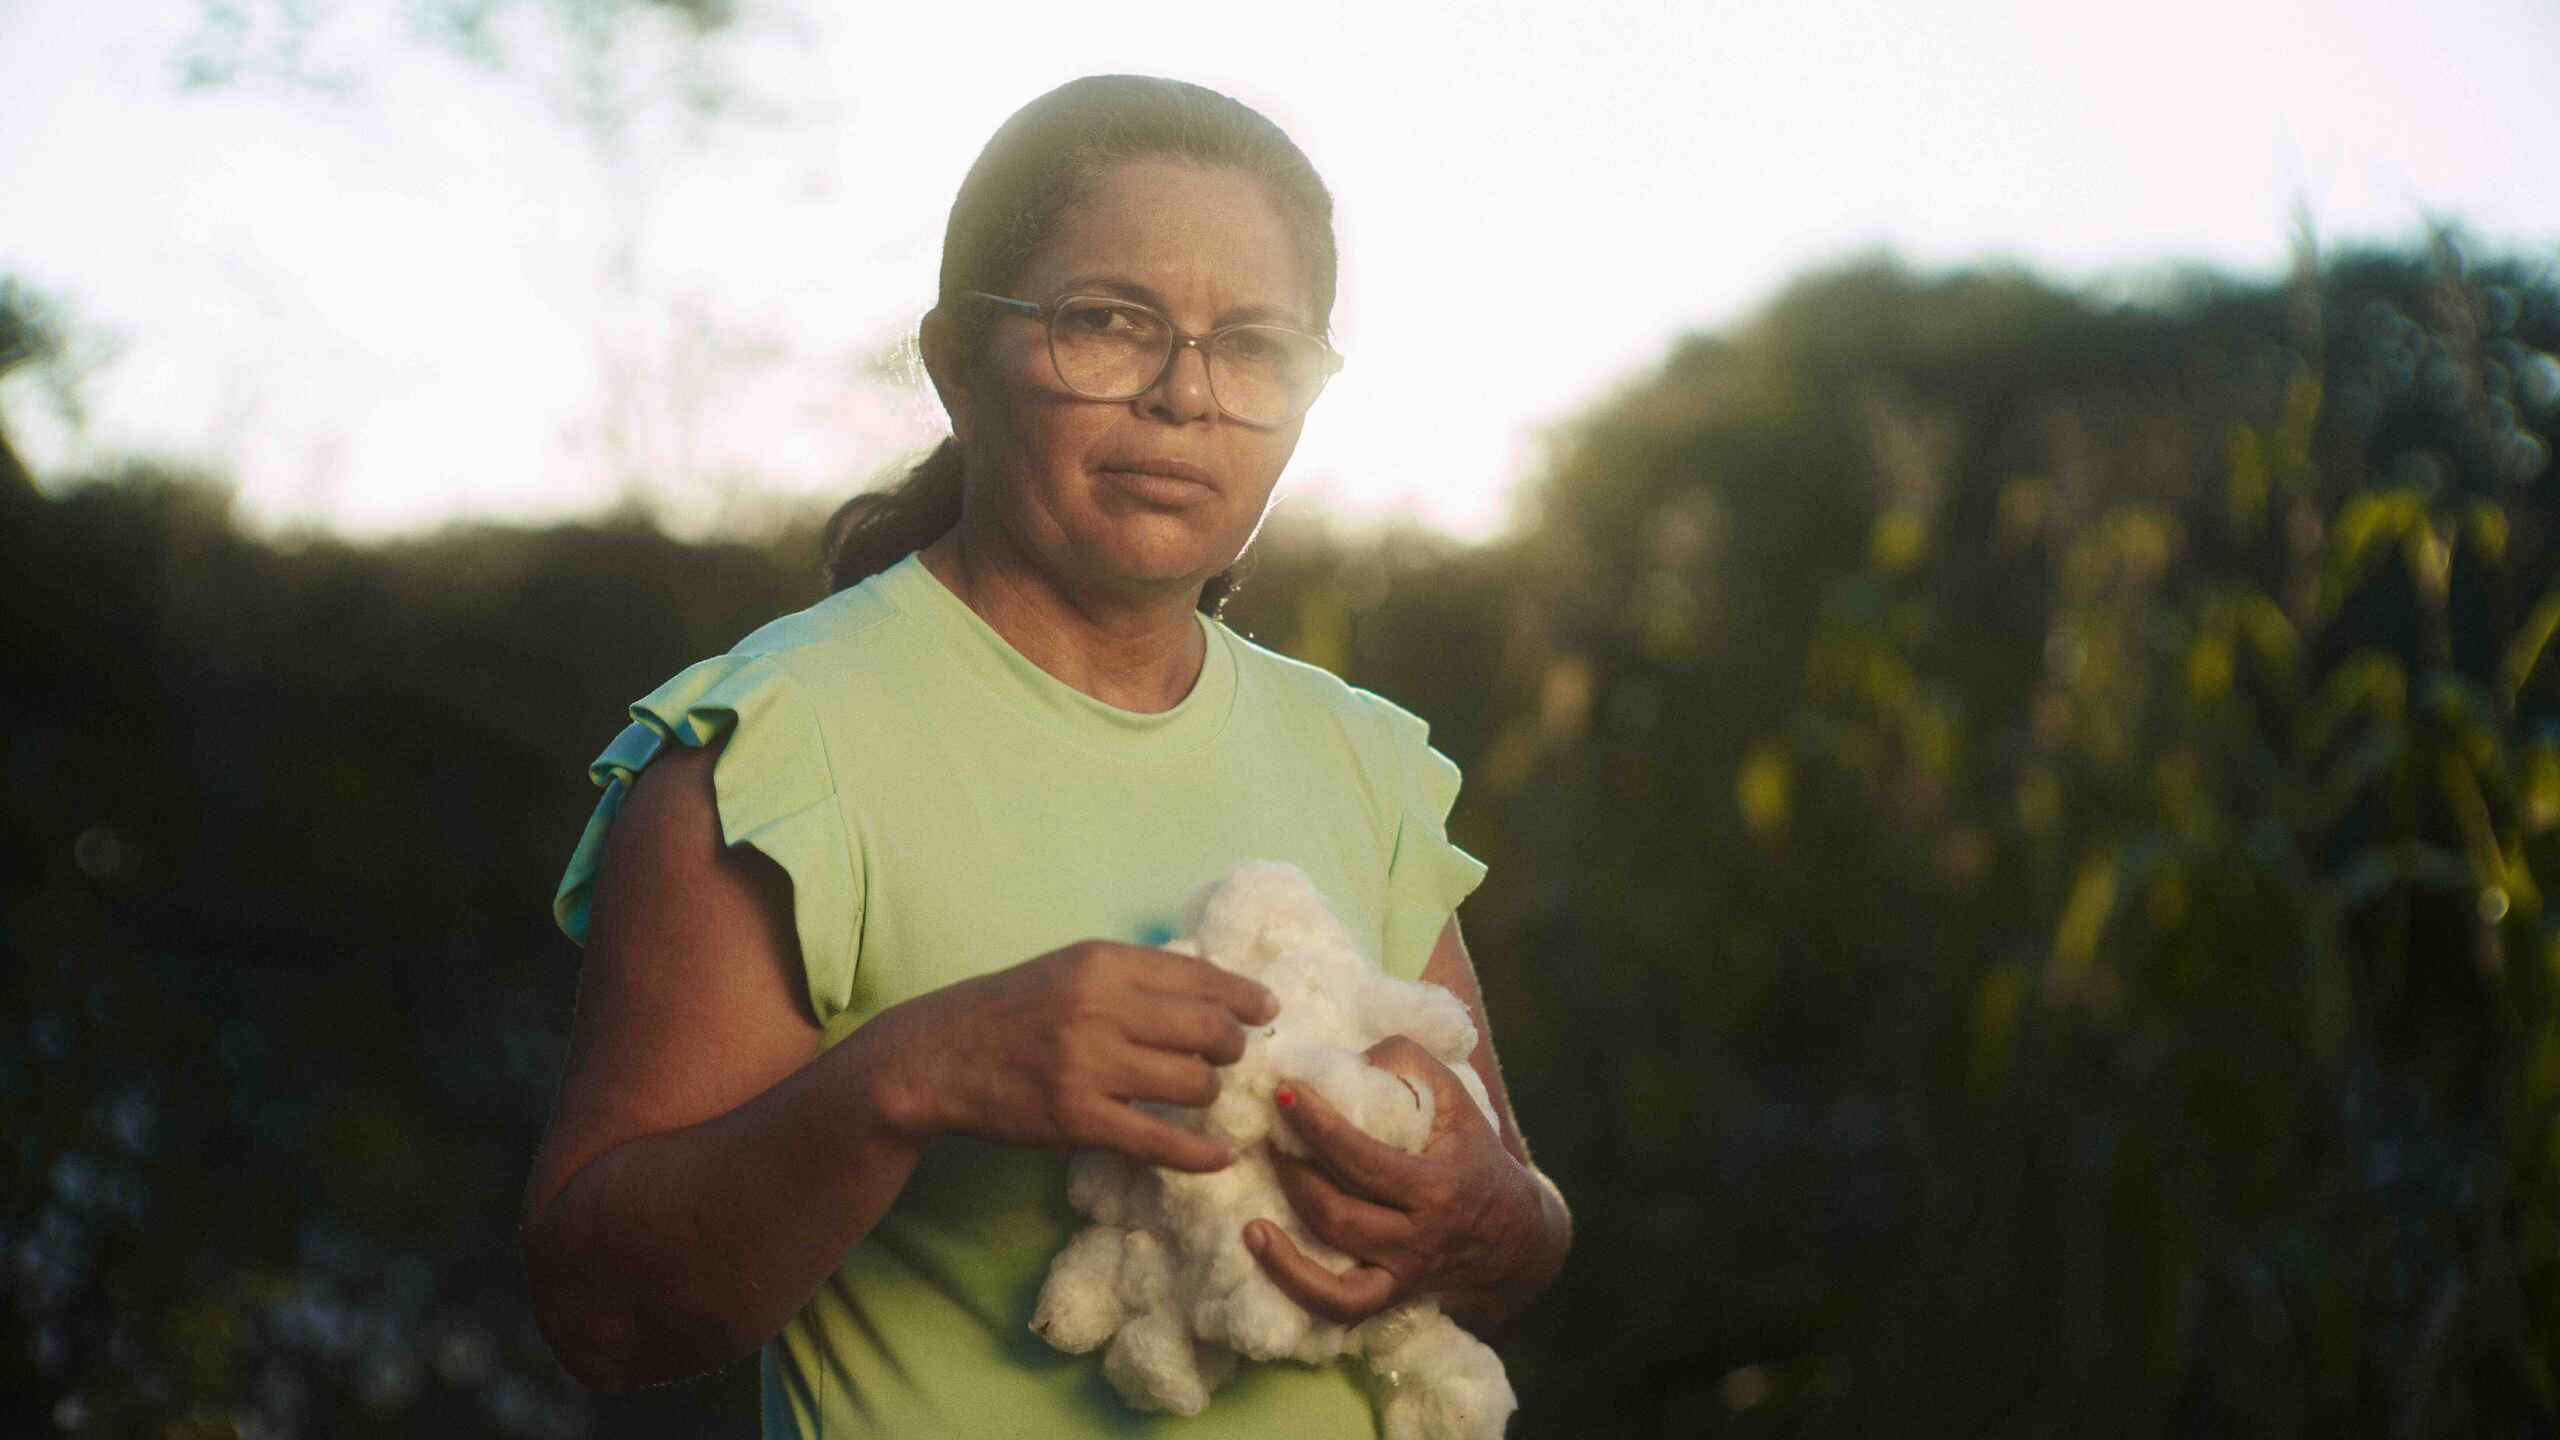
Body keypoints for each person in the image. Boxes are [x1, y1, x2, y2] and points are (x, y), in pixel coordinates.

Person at [518, 74, 1572, 1438]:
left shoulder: (1363, 759)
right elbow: (601, 1316)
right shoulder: (776, 746)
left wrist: (1495, 1223)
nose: (1185, 396)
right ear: (960, 358)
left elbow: (1519, 1234)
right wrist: (912, 1078)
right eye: (1109, 324)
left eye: (1255, 345)